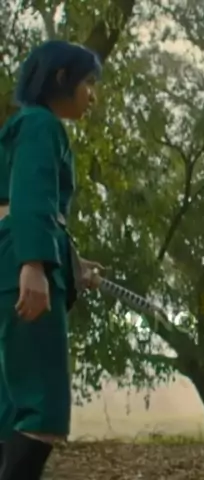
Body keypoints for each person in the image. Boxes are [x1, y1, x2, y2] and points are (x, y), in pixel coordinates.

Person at [0, 40, 103, 479]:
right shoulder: (42, 125)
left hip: (11, 259)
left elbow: (25, 209)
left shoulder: (22, 125)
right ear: (62, 78)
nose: (93, 95)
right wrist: (35, 265)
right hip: (20, 265)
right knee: (43, 404)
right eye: (89, 82)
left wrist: (70, 265)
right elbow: (31, 195)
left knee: (11, 405)